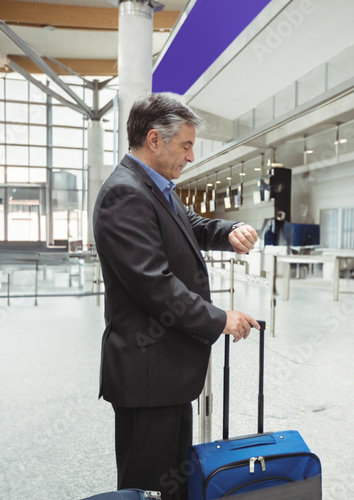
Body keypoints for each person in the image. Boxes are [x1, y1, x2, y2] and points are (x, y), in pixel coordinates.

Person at [93, 93, 260, 500]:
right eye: (185, 145)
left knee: (169, 480)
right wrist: (219, 319)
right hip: (147, 372)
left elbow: (194, 226)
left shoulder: (154, 188)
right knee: (149, 485)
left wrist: (228, 231)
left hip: (163, 371)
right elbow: (155, 284)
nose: (190, 157)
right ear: (154, 139)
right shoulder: (125, 195)